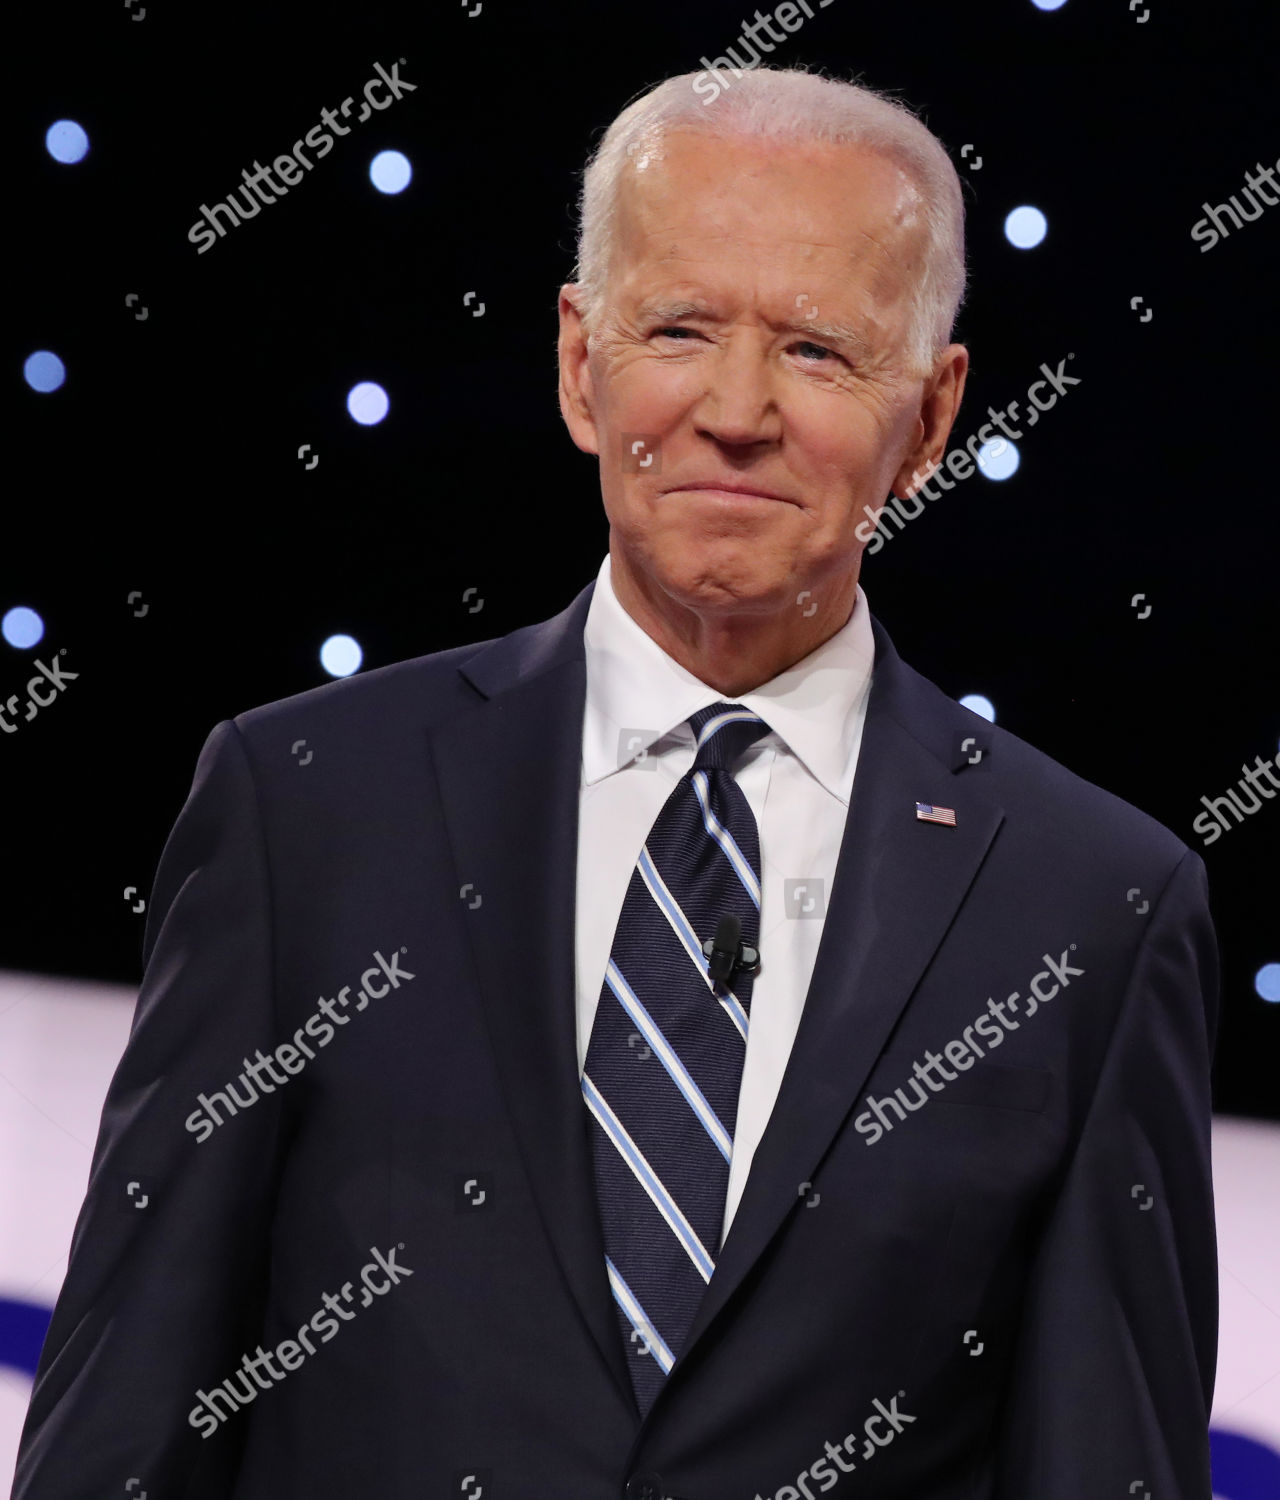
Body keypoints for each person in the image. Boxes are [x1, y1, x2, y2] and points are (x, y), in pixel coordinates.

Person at [13, 66, 1218, 1500]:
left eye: (820, 351)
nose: (737, 410)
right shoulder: (309, 804)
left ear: (934, 414)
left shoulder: (1094, 906)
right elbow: (125, 1423)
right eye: (682, 328)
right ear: (582, 364)